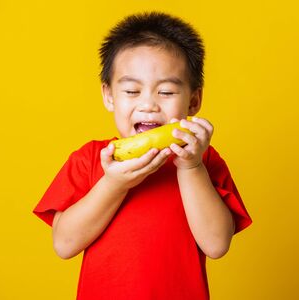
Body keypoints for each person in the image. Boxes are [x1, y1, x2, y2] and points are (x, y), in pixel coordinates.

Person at [33, 11, 252, 300]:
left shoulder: (204, 160)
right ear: (109, 95)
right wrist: (113, 184)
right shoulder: (90, 159)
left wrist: (191, 168)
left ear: (194, 101)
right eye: (132, 90)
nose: (148, 104)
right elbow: (64, 245)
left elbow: (216, 245)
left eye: (166, 91)